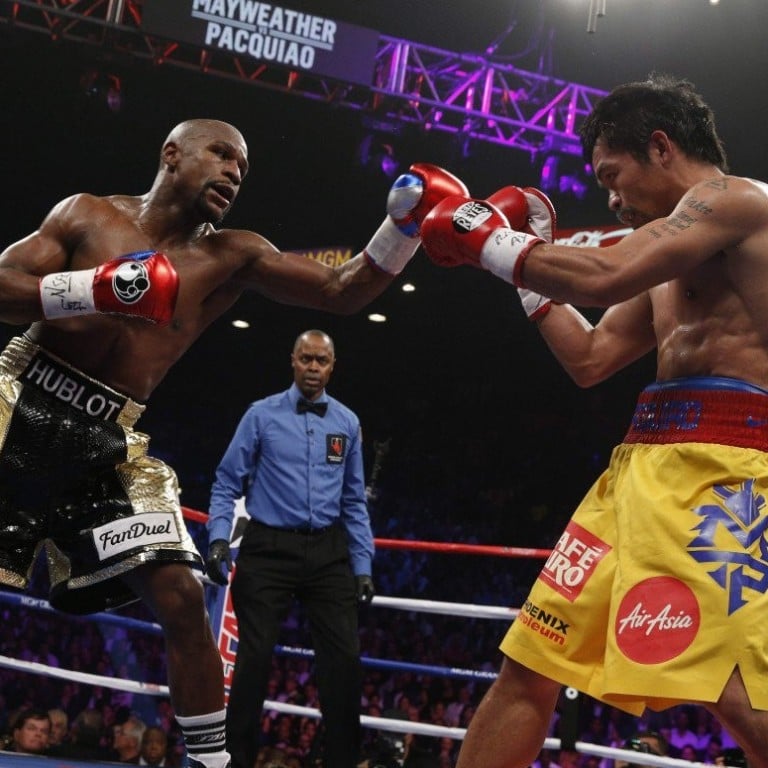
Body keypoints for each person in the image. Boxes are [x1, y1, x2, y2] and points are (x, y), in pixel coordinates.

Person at [0, 117, 467, 768]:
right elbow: (4, 290)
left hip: (108, 436)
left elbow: (343, 291)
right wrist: (94, 290)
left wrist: (404, 227)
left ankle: (214, 763)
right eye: (220, 155)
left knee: (181, 594)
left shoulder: (233, 255)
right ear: (172, 154)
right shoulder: (87, 215)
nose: (232, 173)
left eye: (242, 168)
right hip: (19, 395)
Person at [417, 73, 768, 767]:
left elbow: (602, 276)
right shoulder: (669, 263)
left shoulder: (736, 200)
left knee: (733, 686)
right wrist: (520, 273)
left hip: (721, 469)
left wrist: (488, 238)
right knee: (532, 660)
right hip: (637, 471)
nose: (609, 197)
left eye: (614, 174)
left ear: (661, 146)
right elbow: (592, 355)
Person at [205, 329, 375, 768]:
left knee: (345, 661)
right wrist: (219, 538)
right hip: (267, 549)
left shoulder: (348, 423)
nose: (314, 368)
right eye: (306, 359)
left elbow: (354, 500)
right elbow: (226, 481)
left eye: (321, 361)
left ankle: (341, 761)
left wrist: (362, 565)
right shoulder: (260, 416)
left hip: (328, 551)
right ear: (293, 361)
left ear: (333, 366)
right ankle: (236, 762)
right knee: (255, 657)